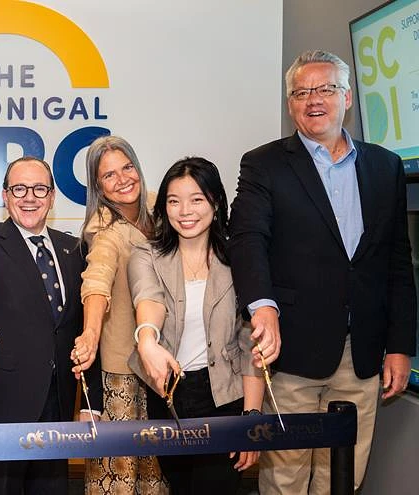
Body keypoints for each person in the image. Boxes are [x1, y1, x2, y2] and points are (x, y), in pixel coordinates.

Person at [228, 50, 417, 494]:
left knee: (343, 474)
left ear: (347, 97)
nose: (314, 99)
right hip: (292, 350)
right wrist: (263, 306)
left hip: (365, 352)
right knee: (286, 475)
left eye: (326, 88)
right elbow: (247, 238)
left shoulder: (385, 166)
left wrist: (401, 346)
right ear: (290, 104)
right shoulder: (264, 164)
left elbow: (397, 262)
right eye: (301, 92)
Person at [0, 156, 102, 495]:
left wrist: (91, 403)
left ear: (51, 197)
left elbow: (85, 328)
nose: (29, 197)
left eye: (39, 189)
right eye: (19, 188)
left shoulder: (72, 249)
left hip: (60, 404)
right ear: (5, 195)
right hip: (5, 405)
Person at [128, 157, 264, 495]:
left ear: (216, 203)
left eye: (196, 199)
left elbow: (250, 342)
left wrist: (251, 416)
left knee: (216, 487)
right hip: (169, 395)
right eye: (174, 201)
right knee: (180, 486)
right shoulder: (146, 255)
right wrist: (148, 341)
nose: (185, 210)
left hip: (224, 395)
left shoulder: (239, 259)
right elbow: (149, 299)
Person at [77, 136, 167, 495]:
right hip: (122, 374)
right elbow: (96, 282)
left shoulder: (163, 210)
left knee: (159, 472)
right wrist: (90, 334)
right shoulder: (103, 231)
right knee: (119, 476)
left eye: (126, 167)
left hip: (166, 362)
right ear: (97, 187)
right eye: (108, 176)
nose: (122, 179)